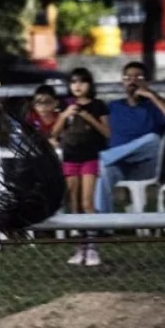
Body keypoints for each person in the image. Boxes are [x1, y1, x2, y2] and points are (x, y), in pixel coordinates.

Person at [94, 61, 165, 243]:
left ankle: (104, 157)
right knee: (104, 172)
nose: (132, 81)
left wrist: (152, 95)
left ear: (146, 82)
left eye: (138, 77)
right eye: (128, 78)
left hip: (147, 166)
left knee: (153, 139)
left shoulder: (153, 106)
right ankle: (104, 228)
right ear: (123, 82)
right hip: (120, 165)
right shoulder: (113, 106)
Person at [51, 68, 109, 266]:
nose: (77, 86)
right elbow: (54, 133)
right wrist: (64, 115)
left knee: (87, 202)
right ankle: (80, 247)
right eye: (73, 82)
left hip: (89, 157)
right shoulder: (64, 105)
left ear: (89, 85)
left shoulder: (98, 105)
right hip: (70, 157)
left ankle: (92, 247)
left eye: (82, 82)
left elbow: (107, 132)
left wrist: (87, 116)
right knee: (74, 203)